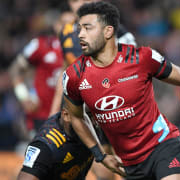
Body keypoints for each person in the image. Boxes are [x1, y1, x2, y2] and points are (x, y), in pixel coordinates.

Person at [59, 1, 180, 180]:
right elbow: (76, 116)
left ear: (108, 31)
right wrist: (100, 155)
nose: (80, 35)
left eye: (87, 28)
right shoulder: (74, 76)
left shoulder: (142, 58)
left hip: (163, 145)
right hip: (130, 165)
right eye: (79, 29)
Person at [49, 1, 137, 180]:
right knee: (96, 170)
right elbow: (65, 72)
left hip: (111, 109)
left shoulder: (117, 32)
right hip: (80, 113)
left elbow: (134, 71)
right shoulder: (66, 32)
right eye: (74, 1)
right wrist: (53, 112)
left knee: (125, 167)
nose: (79, 4)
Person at [9, 11, 66, 134]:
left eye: (73, 24)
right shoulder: (40, 44)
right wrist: (24, 96)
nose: (69, 28)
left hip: (71, 117)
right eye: (64, 23)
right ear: (56, 25)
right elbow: (15, 70)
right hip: (41, 116)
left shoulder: (84, 50)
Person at [17, 99, 95, 180]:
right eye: (85, 116)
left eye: (93, 115)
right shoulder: (46, 146)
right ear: (66, 115)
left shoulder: (97, 126)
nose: (93, 122)